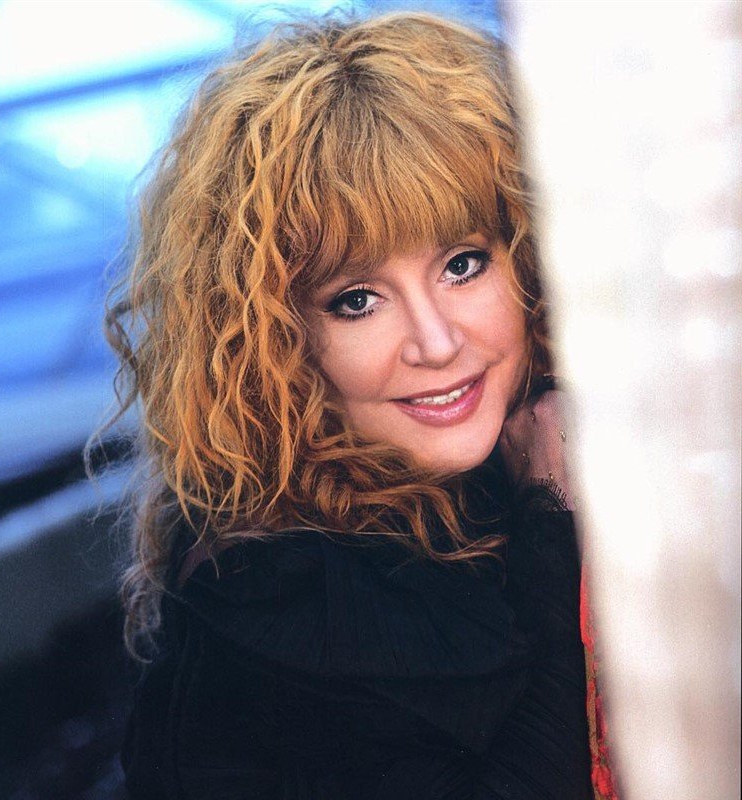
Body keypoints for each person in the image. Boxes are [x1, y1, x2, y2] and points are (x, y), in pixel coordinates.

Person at [109, 11, 601, 799]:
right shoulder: (274, 600)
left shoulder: (491, 480)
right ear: (272, 340)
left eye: (463, 263)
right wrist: (550, 517)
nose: (436, 342)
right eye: (357, 300)